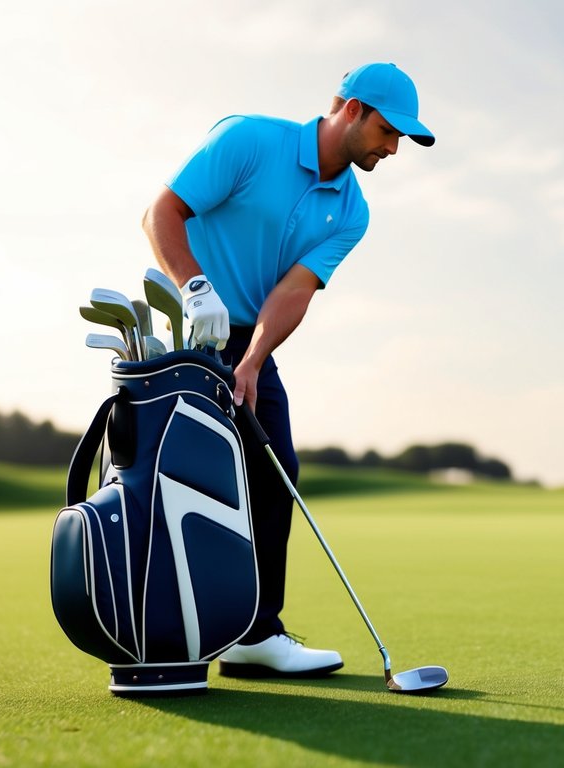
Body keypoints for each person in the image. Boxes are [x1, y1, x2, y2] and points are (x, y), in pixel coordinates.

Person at [141, 62, 434, 677]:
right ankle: (157, 626)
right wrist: (195, 289)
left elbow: (294, 292)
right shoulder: (249, 140)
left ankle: (252, 634)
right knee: (177, 473)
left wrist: (252, 359)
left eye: (400, 139)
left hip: (249, 335)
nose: (392, 148)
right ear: (351, 109)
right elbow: (161, 214)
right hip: (184, 317)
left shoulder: (352, 212)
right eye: (388, 131)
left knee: (276, 470)